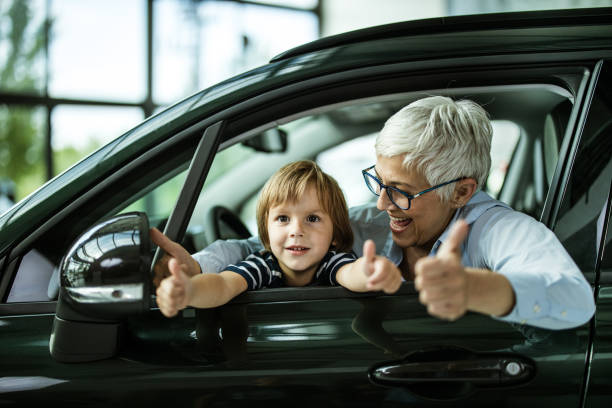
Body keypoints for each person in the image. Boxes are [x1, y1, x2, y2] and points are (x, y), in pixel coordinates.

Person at [154, 96, 595, 330]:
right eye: (378, 182)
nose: (381, 204)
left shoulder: (499, 230)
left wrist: (475, 289)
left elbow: (574, 300)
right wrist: (200, 267)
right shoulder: (370, 218)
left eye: (400, 192)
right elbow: (257, 249)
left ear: (462, 191)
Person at [153, 160, 402, 318]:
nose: (296, 230)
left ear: (335, 235)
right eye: (283, 219)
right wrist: (190, 290)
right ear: (266, 232)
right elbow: (222, 285)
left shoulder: (332, 261)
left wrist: (371, 272)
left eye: (312, 219)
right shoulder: (263, 265)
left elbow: (350, 273)